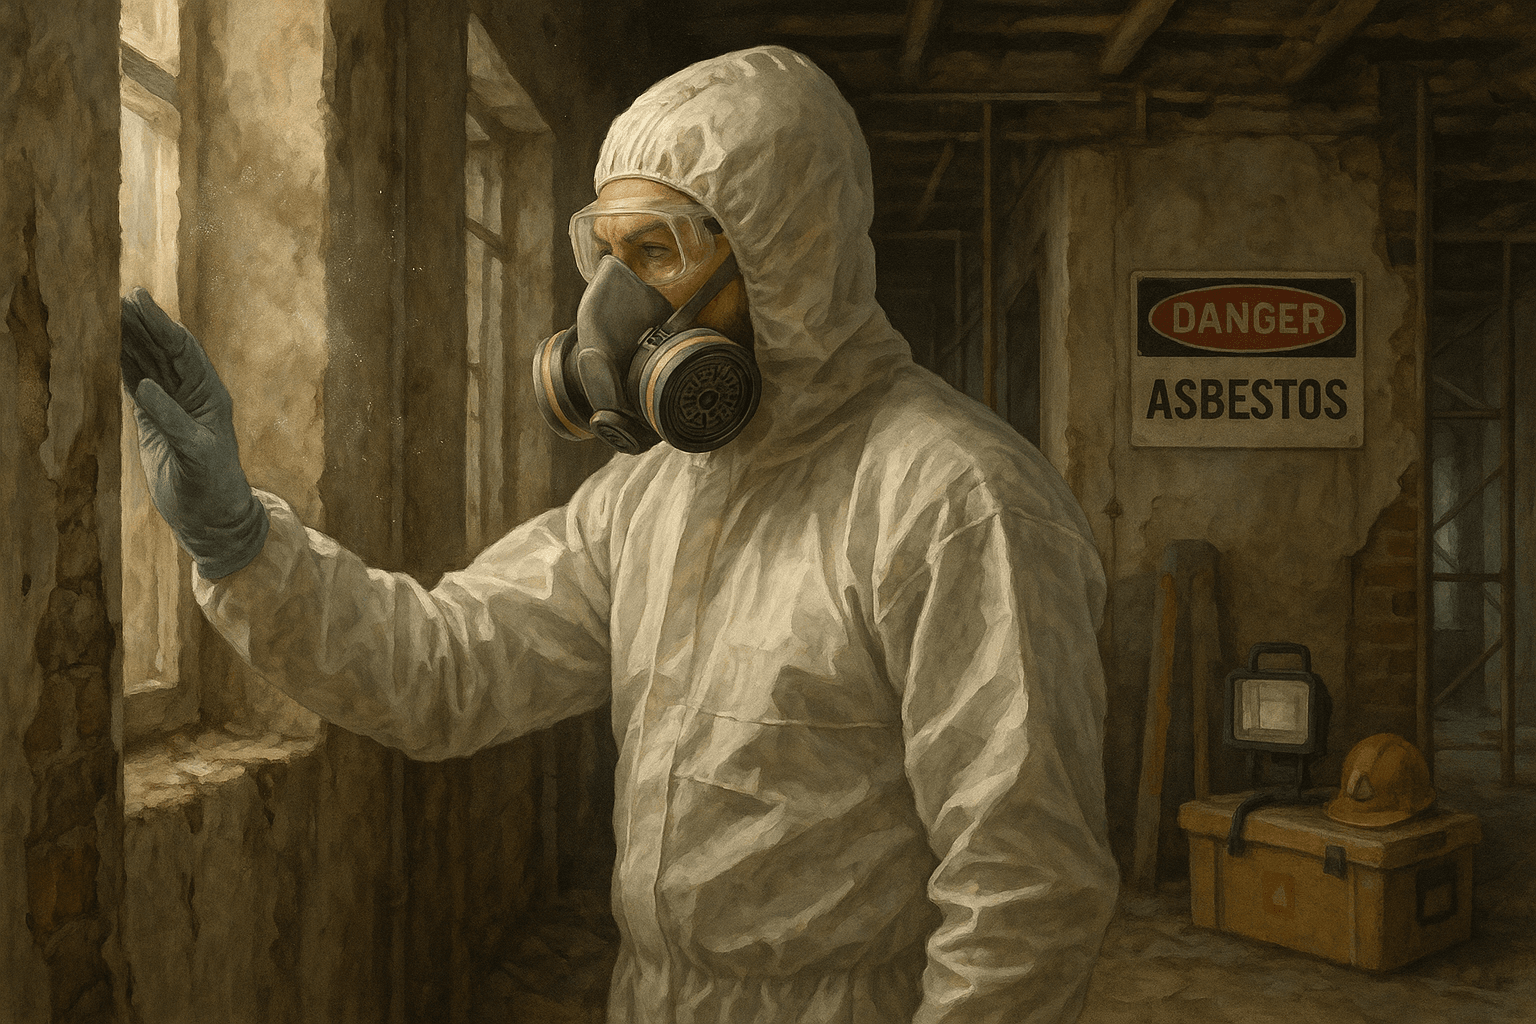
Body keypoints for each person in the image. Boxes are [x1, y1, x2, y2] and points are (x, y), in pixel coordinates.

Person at [120, 45, 1118, 1024]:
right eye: (607, 251)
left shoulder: (956, 502)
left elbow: (1025, 896)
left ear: (786, 258)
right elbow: (443, 668)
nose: (609, 311)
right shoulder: (649, 497)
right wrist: (241, 541)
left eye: (656, 255)